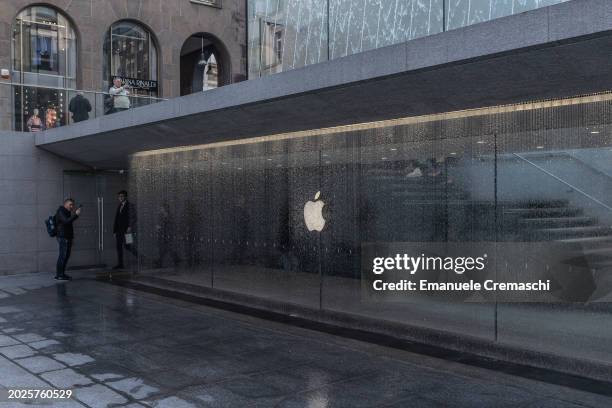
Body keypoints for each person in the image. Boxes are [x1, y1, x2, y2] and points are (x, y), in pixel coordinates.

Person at [55, 198, 81, 280]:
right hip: (63, 237)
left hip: (67, 237)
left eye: (72, 205)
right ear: (65, 204)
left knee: (66, 256)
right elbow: (66, 221)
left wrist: (71, 238)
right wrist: (76, 215)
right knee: (63, 256)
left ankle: (62, 274)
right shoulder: (61, 211)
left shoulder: (67, 212)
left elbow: (69, 226)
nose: (72, 206)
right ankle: (59, 275)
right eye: (70, 204)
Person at [113, 190, 138, 270]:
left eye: (122, 196)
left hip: (127, 231)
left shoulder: (130, 205)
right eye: (119, 196)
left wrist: (130, 226)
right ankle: (120, 264)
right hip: (119, 231)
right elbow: (116, 219)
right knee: (119, 247)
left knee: (128, 246)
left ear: (125, 197)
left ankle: (140, 258)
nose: (120, 198)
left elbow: (134, 217)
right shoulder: (119, 206)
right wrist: (114, 231)